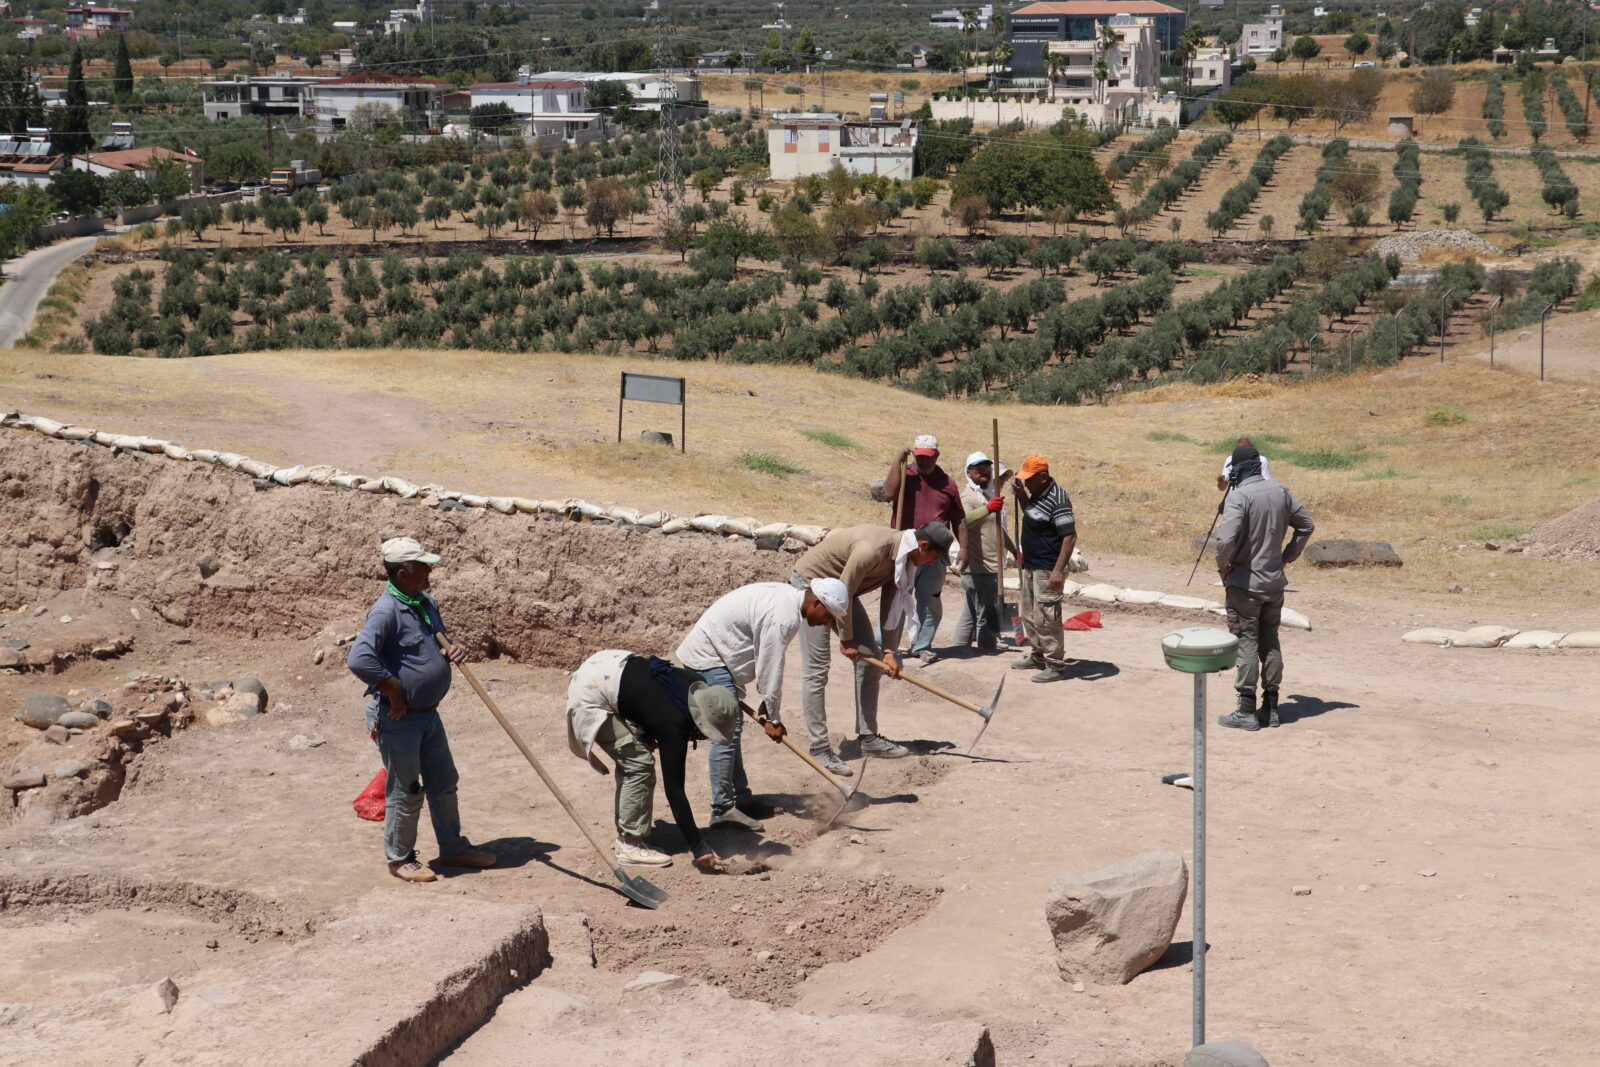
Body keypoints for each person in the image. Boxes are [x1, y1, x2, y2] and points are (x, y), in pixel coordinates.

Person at [347, 537, 497, 884]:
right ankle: (400, 859)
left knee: (444, 782)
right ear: (402, 572)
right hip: (398, 717)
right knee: (407, 789)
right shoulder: (386, 611)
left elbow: (435, 642)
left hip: (428, 714)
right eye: (423, 566)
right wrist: (394, 689)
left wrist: (450, 651)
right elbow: (359, 658)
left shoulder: (423, 602)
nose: (430, 571)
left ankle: (453, 848)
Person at [675, 577, 849, 829]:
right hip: (708, 655)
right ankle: (723, 809)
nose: (827, 622)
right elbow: (770, 666)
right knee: (727, 729)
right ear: (816, 603)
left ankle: (741, 800)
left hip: (717, 653)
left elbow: (767, 664)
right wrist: (773, 718)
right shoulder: (783, 616)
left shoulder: (789, 601)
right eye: (828, 615)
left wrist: (769, 708)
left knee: (732, 725)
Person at [789, 522, 954, 775]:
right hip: (812, 589)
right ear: (922, 546)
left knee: (870, 658)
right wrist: (846, 639)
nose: (933, 564)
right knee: (817, 669)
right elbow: (845, 587)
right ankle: (820, 749)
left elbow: (891, 603)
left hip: (843, 593)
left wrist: (889, 650)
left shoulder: (903, 560)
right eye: (933, 557)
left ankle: (868, 738)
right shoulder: (872, 550)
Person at [566, 650, 740, 868]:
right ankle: (629, 846)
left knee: (636, 754)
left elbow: (648, 698)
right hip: (590, 694)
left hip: (606, 665)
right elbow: (674, 791)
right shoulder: (673, 723)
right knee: (639, 764)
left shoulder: (696, 683)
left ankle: (628, 830)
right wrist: (698, 846)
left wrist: (646, 732)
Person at [1213, 443, 1315, 731]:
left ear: (1238, 470)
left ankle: (1246, 710)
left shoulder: (1240, 497)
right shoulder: (1281, 491)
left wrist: (1224, 567)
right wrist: (1286, 558)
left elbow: (1225, 540)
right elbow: (1306, 525)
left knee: (1247, 641)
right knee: (1270, 642)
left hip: (1245, 584)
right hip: (1274, 584)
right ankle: (1271, 708)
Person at [882, 433, 968, 664]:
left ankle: (921, 645)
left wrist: (964, 547)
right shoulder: (906, 476)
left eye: (928, 457)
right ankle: (888, 647)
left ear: (937, 455)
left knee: (930, 600)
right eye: (920, 456)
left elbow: (958, 518)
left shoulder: (947, 483)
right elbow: (888, 493)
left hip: (935, 553)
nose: (924, 461)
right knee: (898, 598)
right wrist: (897, 460)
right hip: (907, 550)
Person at [1010, 455, 1077, 683]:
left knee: (1047, 619)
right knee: (1029, 614)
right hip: (1030, 564)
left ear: (1043, 476)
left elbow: (1069, 536)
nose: (1026, 483)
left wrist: (1058, 571)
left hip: (1048, 568)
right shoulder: (1037, 495)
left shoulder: (1058, 498)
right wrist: (1021, 496)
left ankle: (1055, 665)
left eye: (1030, 480)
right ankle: (1038, 655)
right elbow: (1032, 515)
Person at [953, 452, 1018, 654]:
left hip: (991, 564)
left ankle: (959, 648)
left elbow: (998, 530)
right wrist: (988, 509)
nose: (984, 471)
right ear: (968, 472)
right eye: (978, 468)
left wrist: (1015, 552)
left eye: (987, 468)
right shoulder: (968, 497)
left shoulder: (987, 496)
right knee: (985, 612)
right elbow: (962, 521)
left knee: (972, 611)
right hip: (977, 565)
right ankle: (985, 650)